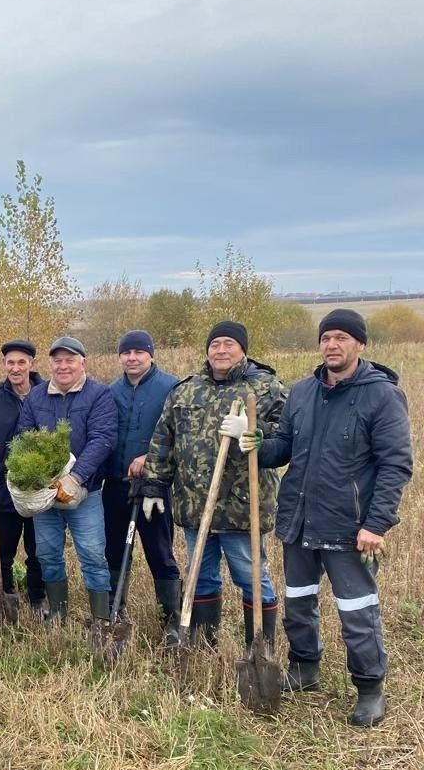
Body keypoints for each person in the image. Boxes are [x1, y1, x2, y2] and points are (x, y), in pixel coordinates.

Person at [241, 309, 413, 726]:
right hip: (299, 520)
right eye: (326, 338)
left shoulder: (381, 395)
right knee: (298, 603)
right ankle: (304, 667)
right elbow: (284, 447)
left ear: (360, 344)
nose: (332, 345)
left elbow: (396, 464)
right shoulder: (302, 392)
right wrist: (256, 443)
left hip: (348, 526)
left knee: (357, 610)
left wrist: (375, 524)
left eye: (341, 337)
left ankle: (370, 688)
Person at [142, 320, 286, 647]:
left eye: (228, 344)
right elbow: (163, 439)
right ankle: (202, 644)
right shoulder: (187, 390)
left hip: (241, 507)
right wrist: (153, 485)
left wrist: (253, 430)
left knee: (251, 577)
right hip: (195, 504)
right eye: (215, 344)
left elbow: (287, 438)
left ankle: (259, 647)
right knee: (201, 576)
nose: (221, 350)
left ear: (243, 349)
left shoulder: (266, 387)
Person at [15, 336, 117, 625]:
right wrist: (35, 478)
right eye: (57, 360)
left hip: (86, 492)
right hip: (46, 495)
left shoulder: (99, 394)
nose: (63, 366)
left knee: (93, 554)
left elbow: (102, 438)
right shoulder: (36, 396)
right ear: (50, 364)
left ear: (82, 362)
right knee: (47, 553)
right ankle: (58, 613)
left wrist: (75, 478)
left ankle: (100, 618)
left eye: (70, 360)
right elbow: (24, 437)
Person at [103, 330, 181, 644]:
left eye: (139, 352)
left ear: (151, 354)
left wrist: (151, 457)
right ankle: (114, 609)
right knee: (114, 550)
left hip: (154, 488)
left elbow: (181, 437)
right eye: (126, 352)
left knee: (159, 550)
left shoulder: (171, 388)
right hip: (116, 486)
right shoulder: (110, 391)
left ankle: (171, 616)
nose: (132, 358)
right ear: (119, 356)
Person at [0, 339, 46, 613]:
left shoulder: (48, 393)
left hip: (41, 489)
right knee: (1, 550)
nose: (15, 368)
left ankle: (37, 596)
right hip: (4, 488)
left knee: (39, 549)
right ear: (4, 365)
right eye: (10, 363)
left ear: (31, 364)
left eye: (21, 362)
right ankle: (4, 595)